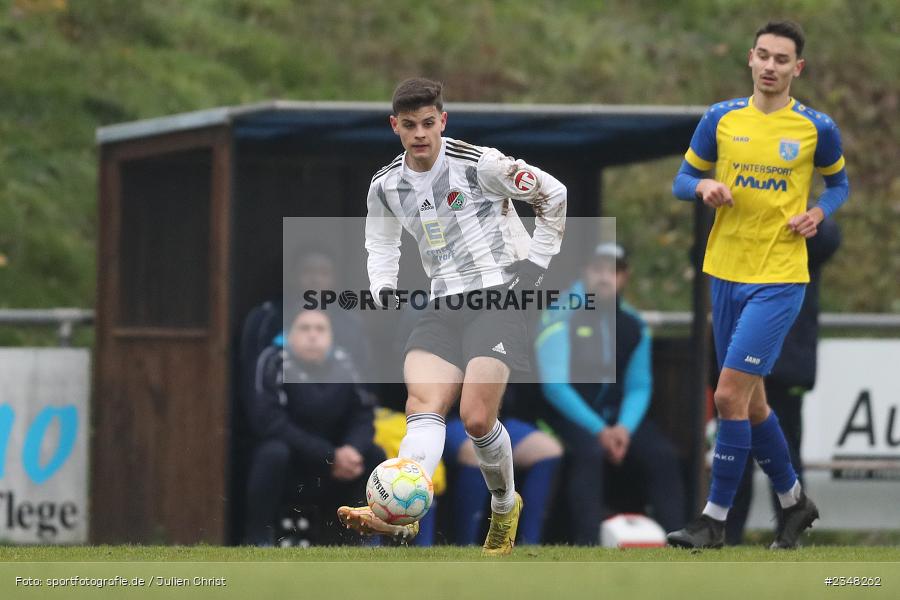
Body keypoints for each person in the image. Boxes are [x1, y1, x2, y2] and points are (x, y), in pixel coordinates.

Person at [337, 77, 567, 555]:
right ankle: (399, 517)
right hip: (442, 303)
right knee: (422, 405)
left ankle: (504, 504)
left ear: (442, 120)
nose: (420, 133)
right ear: (395, 126)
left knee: (477, 419)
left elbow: (554, 194)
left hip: (497, 297)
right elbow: (380, 240)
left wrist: (536, 266)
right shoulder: (386, 185)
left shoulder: (481, 164)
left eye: (428, 122)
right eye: (409, 125)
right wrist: (383, 286)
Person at [668, 21, 850, 549]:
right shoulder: (721, 118)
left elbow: (839, 185)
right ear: (750, 58)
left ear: (798, 68)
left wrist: (818, 211)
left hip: (779, 278)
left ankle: (714, 520)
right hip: (725, 272)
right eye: (763, 56)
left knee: (727, 394)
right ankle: (794, 503)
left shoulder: (816, 127)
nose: (771, 66)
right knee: (751, 405)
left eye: (781, 59)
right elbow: (682, 180)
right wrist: (704, 185)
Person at [535, 243, 686, 543]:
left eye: (614, 271)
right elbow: (554, 385)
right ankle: (588, 545)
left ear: (624, 277)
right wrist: (599, 430)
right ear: (585, 272)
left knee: (662, 456)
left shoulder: (634, 324)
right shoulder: (560, 315)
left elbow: (639, 386)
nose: (605, 277)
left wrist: (623, 429)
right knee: (588, 453)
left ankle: (677, 543)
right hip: (565, 417)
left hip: (616, 421)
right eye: (598, 269)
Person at [726, 217, 841, 544]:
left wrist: (796, 217)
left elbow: (827, 239)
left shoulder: (803, 221)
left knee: (783, 449)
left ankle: (790, 532)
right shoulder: (739, 213)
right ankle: (727, 535)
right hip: (743, 356)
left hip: (785, 362)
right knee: (736, 449)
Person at [245, 308, 383, 546]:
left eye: (320, 329)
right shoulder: (273, 361)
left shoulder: (345, 364)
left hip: (338, 467)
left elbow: (363, 414)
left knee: (374, 455)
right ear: (289, 335)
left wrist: (352, 449)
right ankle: (259, 537)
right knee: (273, 453)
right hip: (294, 463)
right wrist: (329, 455)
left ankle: (365, 538)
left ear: (331, 337)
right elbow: (269, 421)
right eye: (304, 328)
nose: (312, 335)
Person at [443, 385, 563, 546]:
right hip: (451, 418)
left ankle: (528, 546)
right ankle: (465, 544)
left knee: (547, 449)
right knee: (476, 452)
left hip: (498, 419)